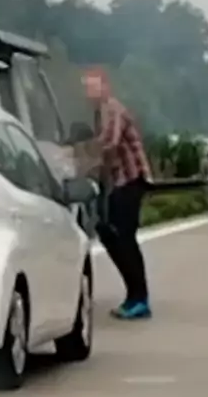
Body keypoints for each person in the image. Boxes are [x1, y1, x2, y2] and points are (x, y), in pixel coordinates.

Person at [82, 67, 152, 320]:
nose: (89, 92)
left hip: (131, 179)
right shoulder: (100, 111)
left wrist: (77, 159)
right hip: (119, 182)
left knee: (124, 238)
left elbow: (108, 144)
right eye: (86, 87)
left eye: (93, 86)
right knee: (108, 233)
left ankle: (139, 298)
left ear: (105, 87)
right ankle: (134, 295)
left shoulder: (113, 109)